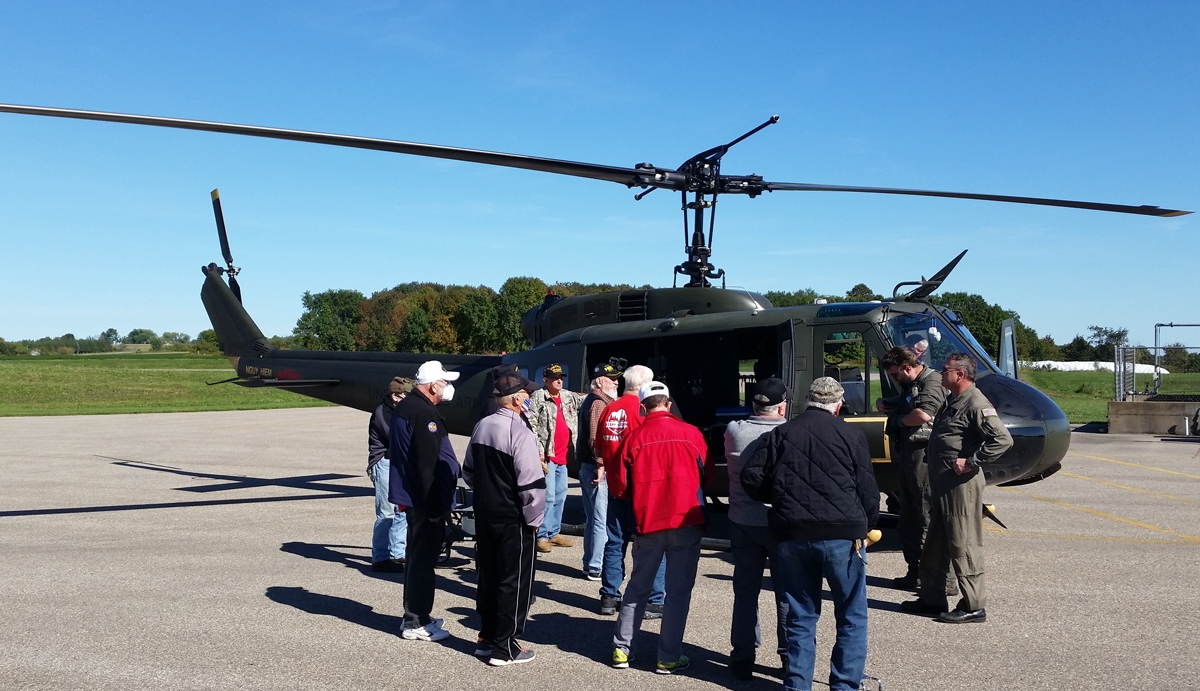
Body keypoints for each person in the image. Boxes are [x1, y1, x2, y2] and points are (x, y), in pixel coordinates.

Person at [741, 377, 879, 691]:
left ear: (806, 401)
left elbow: (752, 478)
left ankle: (798, 684)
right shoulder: (851, 434)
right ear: (838, 405)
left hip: (794, 531)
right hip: (845, 535)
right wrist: (866, 525)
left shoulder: (781, 433)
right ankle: (844, 684)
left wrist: (779, 499)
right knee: (851, 614)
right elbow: (869, 490)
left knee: (801, 614)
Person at [609, 380, 714, 675]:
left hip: (648, 522)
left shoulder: (634, 438)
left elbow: (619, 485)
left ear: (643, 407)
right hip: (686, 521)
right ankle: (667, 656)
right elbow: (706, 476)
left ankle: (622, 649)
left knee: (637, 587)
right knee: (678, 592)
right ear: (668, 403)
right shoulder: (691, 434)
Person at [902, 354, 1013, 624]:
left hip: (961, 486)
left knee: (963, 543)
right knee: (936, 543)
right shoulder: (952, 400)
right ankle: (932, 598)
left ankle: (973, 605)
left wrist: (972, 462)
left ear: (960, 374)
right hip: (943, 484)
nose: (941, 373)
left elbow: (1002, 439)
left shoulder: (975, 403)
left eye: (946, 370)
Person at [463, 370, 546, 666]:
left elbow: (468, 471)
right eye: (524, 394)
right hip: (513, 518)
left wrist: (486, 492)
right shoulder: (519, 432)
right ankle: (504, 645)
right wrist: (534, 520)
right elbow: (531, 486)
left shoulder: (482, 426)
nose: (527, 397)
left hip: (485, 513)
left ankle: (486, 638)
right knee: (514, 580)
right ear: (516, 399)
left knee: (488, 575)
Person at [388, 360, 462, 643]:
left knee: (419, 557)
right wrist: (434, 508)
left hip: (416, 498)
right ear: (433, 385)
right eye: (445, 383)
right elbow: (427, 465)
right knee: (422, 560)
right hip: (424, 501)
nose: (447, 388)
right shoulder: (422, 413)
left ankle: (419, 615)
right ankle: (416, 620)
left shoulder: (410, 407)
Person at [723, 376, 789, 680]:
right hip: (778, 521)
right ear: (782, 406)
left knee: (746, 591)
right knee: (787, 593)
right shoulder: (786, 432)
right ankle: (789, 656)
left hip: (742, 520)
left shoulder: (734, 430)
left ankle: (742, 656)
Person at [594, 364, 667, 618]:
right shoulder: (643, 411)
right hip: (641, 489)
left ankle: (609, 596)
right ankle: (656, 598)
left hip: (616, 486)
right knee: (651, 544)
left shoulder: (609, 409)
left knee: (614, 542)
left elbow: (599, 448)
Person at [875, 346, 949, 589]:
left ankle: (941, 579)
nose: (895, 379)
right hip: (909, 456)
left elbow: (923, 414)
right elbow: (909, 401)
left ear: (908, 368)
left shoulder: (933, 381)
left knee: (927, 517)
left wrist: (894, 419)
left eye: (896, 375)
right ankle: (915, 572)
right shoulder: (912, 384)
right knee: (908, 519)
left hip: (925, 457)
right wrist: (887, 402)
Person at [529, 363, 585, 553]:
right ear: (545, 380)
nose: (559, 380)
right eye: (554, 378)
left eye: (561, 377)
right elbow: (532, 424)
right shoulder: (539, 397)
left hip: (563, 456)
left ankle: (554, 532)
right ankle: (542, 535)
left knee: (561, 496)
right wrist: (538, 451)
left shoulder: (568, 396)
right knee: (549, 496)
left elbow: (584, 400)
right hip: (548, 456)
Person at [576, 361, 623, 580]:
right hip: (595, 468)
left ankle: (590, 562)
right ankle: (596, 565)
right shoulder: (598, 404)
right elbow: (595, 438)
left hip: (588, 466)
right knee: (600, 519)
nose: (616, 382)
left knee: (593, 517)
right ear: (599, 381)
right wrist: (601, 464)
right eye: (611, 378)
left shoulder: (593, 400)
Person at [367, 376, 413, 573]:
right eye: (407, 396)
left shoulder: (402, 411)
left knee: (402, 509)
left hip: (399, 464)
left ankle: (397, 554)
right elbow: (397, 437)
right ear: (395, 396)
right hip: (384, 462)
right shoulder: (382, 412)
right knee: (386, 513)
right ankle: (381, 557)